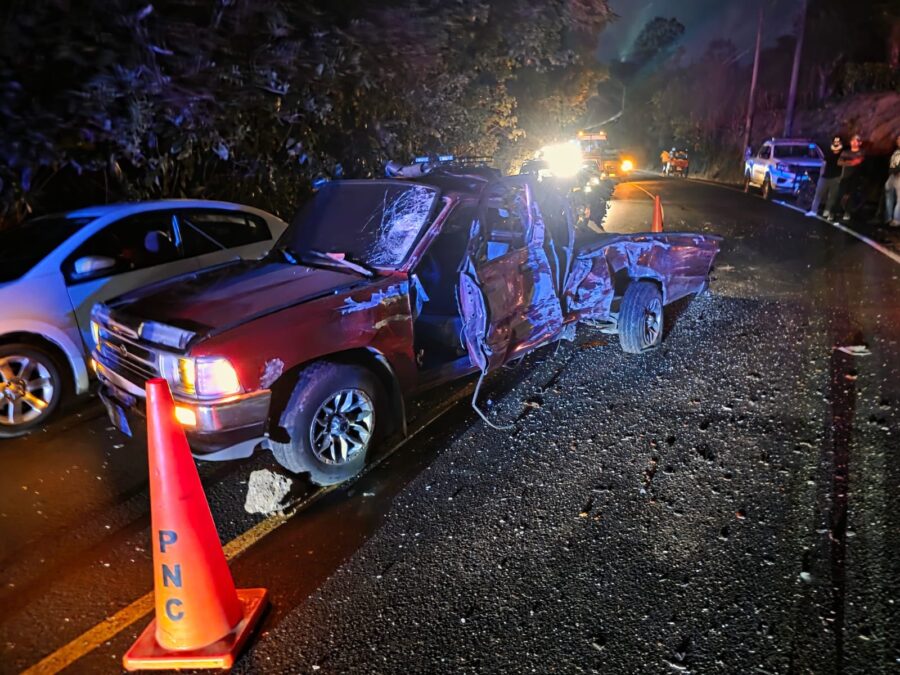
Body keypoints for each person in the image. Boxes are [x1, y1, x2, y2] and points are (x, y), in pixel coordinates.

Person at [806, 136, 843, 219]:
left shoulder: (842, 154)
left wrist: (840, 177)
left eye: (838, 142)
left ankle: (827, 211)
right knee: (818, 194)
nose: (836, 144)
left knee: (832, 196)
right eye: (835, 142)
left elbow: (843, 166)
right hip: (824, 177)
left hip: (835, 177)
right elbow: (824, 163)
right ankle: (813, 210)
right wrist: (821, 174)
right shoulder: (828, 153)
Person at [837, 134, 866, 222]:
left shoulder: (861, 152)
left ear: (860, 143)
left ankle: (847, 212)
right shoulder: (845, 152)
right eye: (852, 140)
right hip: (845, 176)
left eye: (856, 141)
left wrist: (846, 162)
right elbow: (839, 162)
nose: (854, 142)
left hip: (855, 176)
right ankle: (839, 210)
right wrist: (850, 162)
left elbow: (857, 161)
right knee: (842, 193)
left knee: (851, 194)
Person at [884, 133, 900, 227]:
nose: (898, 141)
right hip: (892, 176)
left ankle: (896, 219)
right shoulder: (895, 151)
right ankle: (888, 217)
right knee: (888, 195)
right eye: (898, 139)